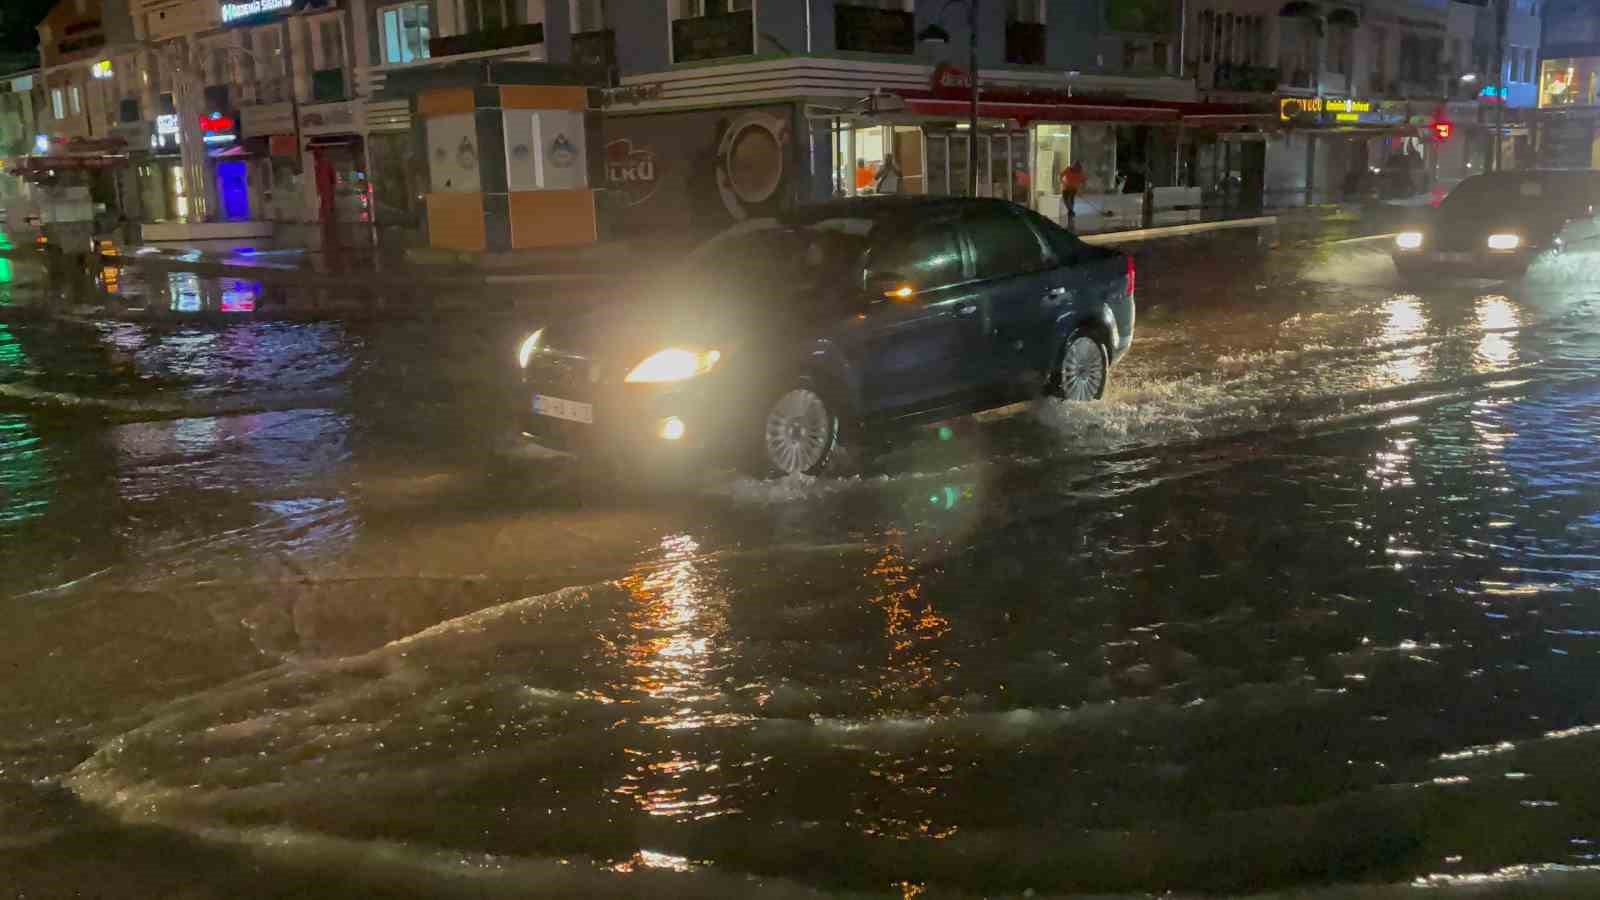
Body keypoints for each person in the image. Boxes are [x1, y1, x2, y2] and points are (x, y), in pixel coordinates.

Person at [1059, 160, 1086, 226]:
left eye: (1077, 167)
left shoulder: (1080, 173)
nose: (1075, 168)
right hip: (1066, 188)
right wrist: (1063, 182)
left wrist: (1081, 190)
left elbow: (1084, 181)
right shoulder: (1068, 169)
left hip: (1073, 188)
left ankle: (1070, 212)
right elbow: (1061, 176)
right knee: (1065, 200)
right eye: (1074, 166)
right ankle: (1070, 211)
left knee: (1071, 199)